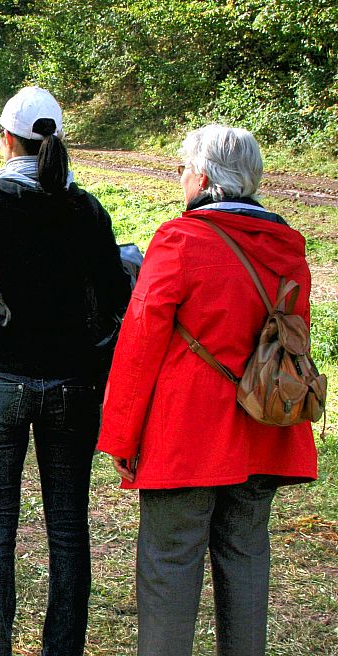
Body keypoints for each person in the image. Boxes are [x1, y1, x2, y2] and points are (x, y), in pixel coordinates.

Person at [97, 125, 318, 656]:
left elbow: (141, 340)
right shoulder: (289, 246)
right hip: (263, 430)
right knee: (245, 561)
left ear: (202, 177)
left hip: (185, 437)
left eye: (182, 168)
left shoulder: (180, 239)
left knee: (169, 566)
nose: (180, 178)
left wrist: (122, 437)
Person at [0, 86, 131, 656]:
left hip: (3, 375)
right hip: (74, 382)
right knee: (70, 528)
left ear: (7, 138)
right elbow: (116, 290)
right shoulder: (87, 207)